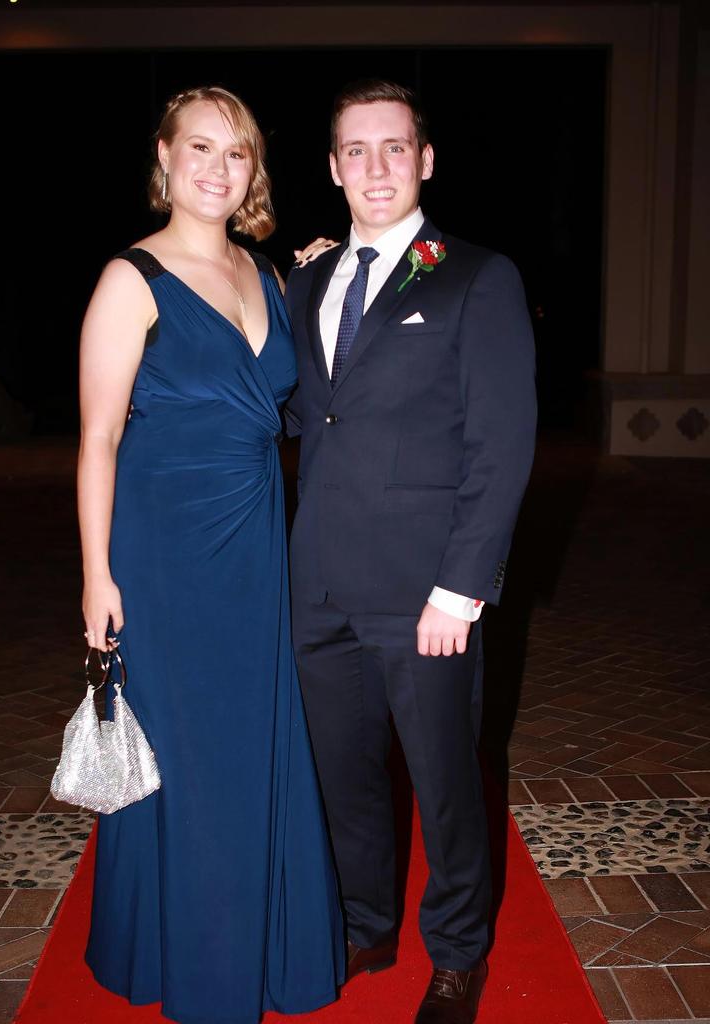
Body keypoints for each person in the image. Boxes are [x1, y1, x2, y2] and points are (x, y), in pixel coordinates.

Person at [77, 86, 344, 1024]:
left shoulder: (266, 274)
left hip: (258, 546)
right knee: (193, 757)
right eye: (199, 147)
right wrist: (96, 577)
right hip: (168, 555)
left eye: (235, 152)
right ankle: (204, 969)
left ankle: (263, 950)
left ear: (252, 171)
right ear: (164, 157)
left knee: (258, 742)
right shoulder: (129, 279)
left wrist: (323, 274)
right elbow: (98, 440)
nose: (215, 167)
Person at [284, 80, 536, 1024]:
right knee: (343, 775)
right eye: (356, 150)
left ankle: (459, 951)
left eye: (395, 148)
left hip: (426, 594)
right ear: (334, 167)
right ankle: (366, 922)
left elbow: (502, 444)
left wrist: (461, 589)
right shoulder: (307, 280)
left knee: (444, 785)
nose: (376, 167)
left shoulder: (474, 274)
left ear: (425, 160)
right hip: (318, 589)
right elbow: (308, 413)